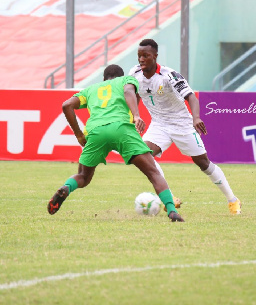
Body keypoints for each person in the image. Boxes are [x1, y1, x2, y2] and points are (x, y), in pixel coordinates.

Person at [47, 64, 184, 222]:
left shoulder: (91, 89)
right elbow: (128, 91)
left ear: (104, 79)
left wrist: (79, 135)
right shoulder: (126, 80)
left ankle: (66, 187)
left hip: (96, 133)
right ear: (121, 76)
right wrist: (136, 115)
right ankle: (172, 211)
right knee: (153, 173)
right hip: (122, 130)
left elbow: (66, 105)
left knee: (83, 176)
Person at [129, 39, 241, 214]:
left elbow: (191, 97)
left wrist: (196, 118)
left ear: (155, 56)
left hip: (182, 124)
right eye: (139, 56)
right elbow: (133, 93)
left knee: (203, 163)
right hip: (159, 124)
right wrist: (134, 115)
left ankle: (233, 200)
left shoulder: (169, 75)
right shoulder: (134, 73)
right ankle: (169, 197)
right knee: (144, 155)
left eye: (146, 56)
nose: (141, 59)